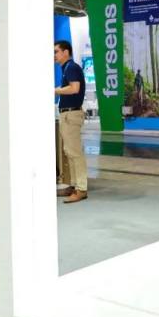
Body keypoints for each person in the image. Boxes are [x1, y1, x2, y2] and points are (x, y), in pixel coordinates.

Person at [54, 41, 89, 204]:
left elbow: (75, 88)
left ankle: (81, 188)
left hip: (71, 115)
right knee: (69, 151)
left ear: (66, 52)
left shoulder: (71, 67)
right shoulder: (66, 68)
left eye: (56, 52)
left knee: (74, 152)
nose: (54, 55)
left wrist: (55, 90)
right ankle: (75, 186)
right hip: (67, 114)